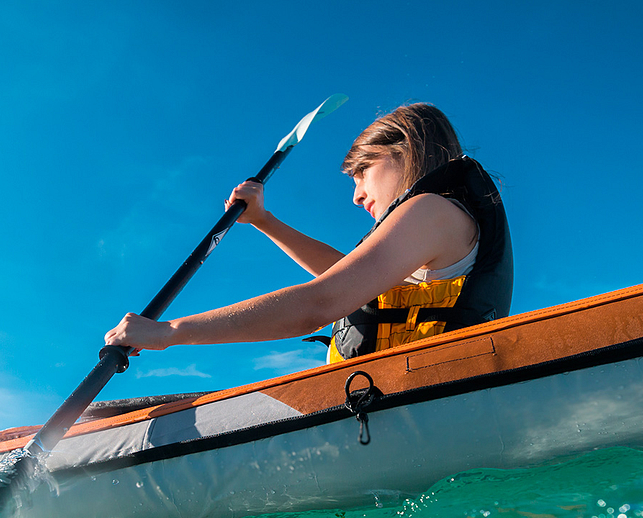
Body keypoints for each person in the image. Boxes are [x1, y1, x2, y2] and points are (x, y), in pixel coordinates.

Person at [104, 103, 513, 363]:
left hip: (413, 406)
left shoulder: (432, 210)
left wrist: (169, 332)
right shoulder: (432, 229)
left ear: (402, 150)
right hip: (394, 402)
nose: (356, 197)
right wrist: (265, 221)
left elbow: (323, 302)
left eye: (362, 174)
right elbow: (347, 277)